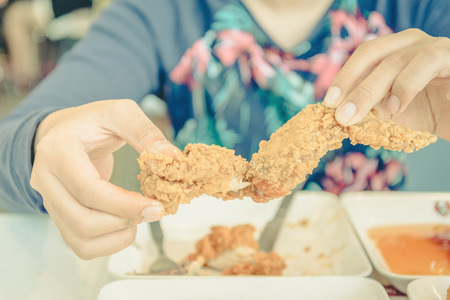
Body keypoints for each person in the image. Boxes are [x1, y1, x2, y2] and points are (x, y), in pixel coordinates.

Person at [0, 0, 449, 259]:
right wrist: (40, 142)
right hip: (206, 266)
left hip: (378, 266)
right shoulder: (160, 13)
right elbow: (13, 138)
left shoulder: (418, 7)